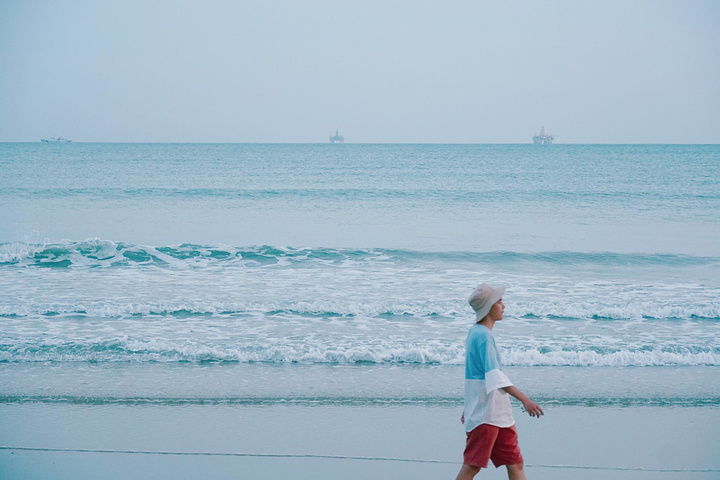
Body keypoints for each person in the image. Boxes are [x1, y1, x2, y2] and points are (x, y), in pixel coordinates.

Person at [455, 284, 544, 480]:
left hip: (497, 413)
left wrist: (469, 405)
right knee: (472, 466)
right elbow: (494, 376)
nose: (504, 306)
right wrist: (525, 400)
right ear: (489, 307)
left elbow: (476, 375)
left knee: (515, 463)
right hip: (486, 415)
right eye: (499, 301)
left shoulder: (476, 332)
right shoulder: (483, 337)